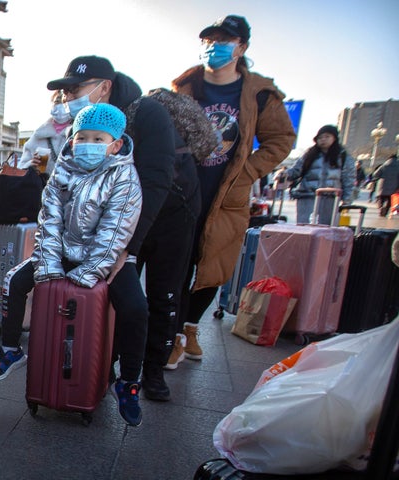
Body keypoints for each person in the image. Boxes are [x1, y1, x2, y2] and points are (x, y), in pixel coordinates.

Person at [38, 56, 200, 402]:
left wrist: (126, 246)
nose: (68, 97)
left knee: (161, 294)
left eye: (75, 89)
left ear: (104, 87)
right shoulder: (84, 127)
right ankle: (102, 366)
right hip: (118, 219)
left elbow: (157, 181)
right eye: (65, 92)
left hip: (168, 213)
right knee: (109, 288)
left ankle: (152, 372)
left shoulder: (147, 114)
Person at [0, 103, 148, 426]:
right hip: (63, 250)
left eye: (98, 139)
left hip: (108, 257)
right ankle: (11, 349)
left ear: (115, 144)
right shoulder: (63, 169)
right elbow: (50, 220)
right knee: (15, 282)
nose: (88, 144)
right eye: (82, 137)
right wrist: (48, 265)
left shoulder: (124, 175)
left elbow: (115, 230)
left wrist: (88, 273)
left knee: (135, 308)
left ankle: (127, 382)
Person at [171, 15, 296, 369]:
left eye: (224, 40)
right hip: (184, 191)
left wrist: (248, 172)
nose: (215, 46)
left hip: (227, 196)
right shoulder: (186, 86)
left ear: (241, 47)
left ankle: (189, 328)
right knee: (177, 266)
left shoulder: (259, 93)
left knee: (214, 267)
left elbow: (281, 139)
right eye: (209, 40)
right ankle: (174, 336)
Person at [285, 125, 355, 224]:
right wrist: (284, 174)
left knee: (325, 231)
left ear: (334, 138)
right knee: (304, 227)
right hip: (307, 197)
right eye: (320, 137)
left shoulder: (343, 157)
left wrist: (346, 201)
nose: (323, 140)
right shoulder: (309, 154)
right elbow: (296, 170)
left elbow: (349, 179)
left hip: (330, 200)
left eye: (327, 137)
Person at [18, 90, 72, 177]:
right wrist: (31, 164)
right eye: (56, 102)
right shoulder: (38, 135)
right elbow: (21, 166)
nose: (60, 106)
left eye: (64, 102)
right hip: (41, 188)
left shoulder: (78, 133)